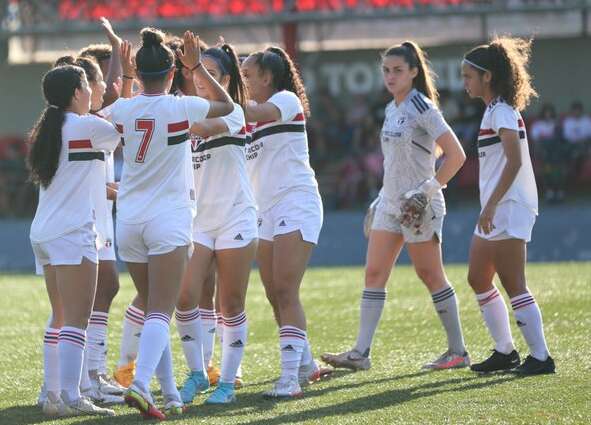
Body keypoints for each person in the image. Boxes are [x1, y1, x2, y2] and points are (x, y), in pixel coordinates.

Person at [322, 41, 469, 372]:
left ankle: (458, 351)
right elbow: (400, 161)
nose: (390, 76)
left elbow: (456, 154)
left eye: (398, 70)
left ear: (414, 72)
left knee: (430, 274)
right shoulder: (391, 108)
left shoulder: (423, 107)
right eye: (386, 70)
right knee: (374, 274)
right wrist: (381, 199)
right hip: (390, 204)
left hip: (420, 205)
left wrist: (427, 191)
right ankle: (360, 353)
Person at [110, 28, 233, 420]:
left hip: (128, 219)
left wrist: (127, 79)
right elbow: (227, 106)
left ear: (138, 72)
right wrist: (196, 65)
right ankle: (142, 384)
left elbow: (115, 109)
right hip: (168, 218)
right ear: (170, 71)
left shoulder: (124, 109)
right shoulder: (181, 106)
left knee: (152, 312)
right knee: (162, 312)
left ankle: (168, 394)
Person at [29, 64, 119, 417]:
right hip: (72, 233)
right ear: (76, 93)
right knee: (77, 320)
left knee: (60, 315)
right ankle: (71, 396)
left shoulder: (48, 129)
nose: (92, 93)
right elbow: (117, 135)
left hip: (45, 232)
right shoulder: (87, 125)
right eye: (88, 86)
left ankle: (52, 395)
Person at [461, 36, 555, 375]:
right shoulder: (493, 110)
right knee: (477, 277)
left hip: (509, 205)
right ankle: (505, 351)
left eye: (468, 75)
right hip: (497, 206)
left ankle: (541, 357)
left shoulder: (501, 110)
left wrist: (491, 205)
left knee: (514, 283)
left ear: (487, 76)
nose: (464, 82)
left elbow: (514, 161)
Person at [242, 46, 331, 399]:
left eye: (247, 75)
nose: (243, 82)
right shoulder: (246, 115)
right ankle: (306, 364)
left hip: (296, 202)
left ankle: (289, 379)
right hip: (264, 211)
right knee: (271, 291)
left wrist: (221, 93)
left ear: (268, 77)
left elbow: (254, 110)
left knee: (284, 289)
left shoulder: (285, 100)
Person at [175, 41, 256, 405]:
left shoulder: (235, 112)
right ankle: (197, 373)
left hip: (235, 218)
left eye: (207, 72)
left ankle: (226, 381)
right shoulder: (185, 111)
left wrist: (195, 72)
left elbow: (204, 129)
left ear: (223, 78)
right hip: (199, 221)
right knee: (185, 297)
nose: (198, 78)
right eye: (195, 72)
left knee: (231, 303)